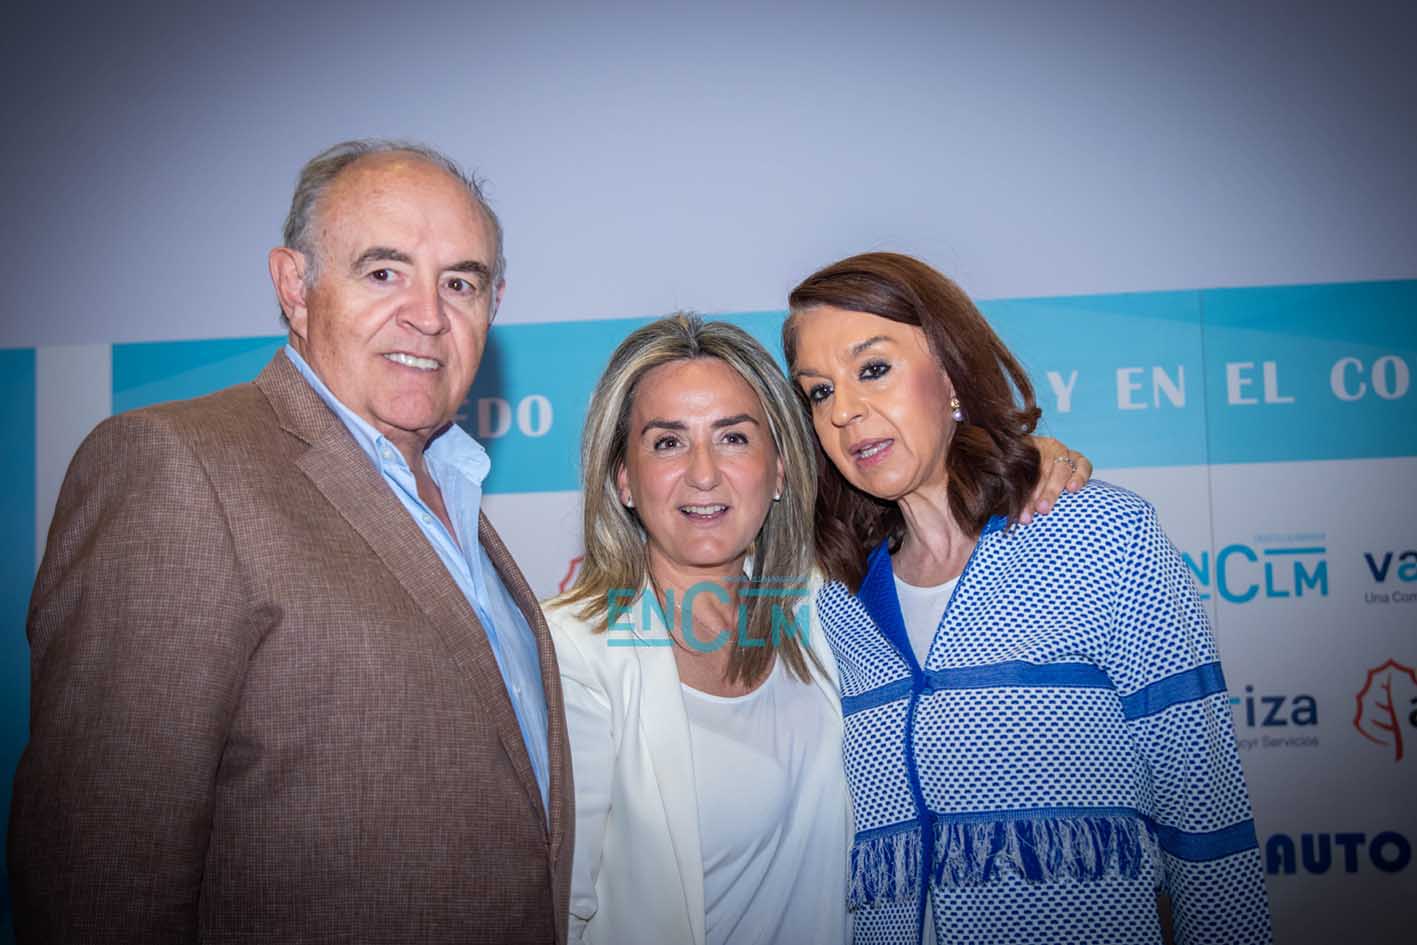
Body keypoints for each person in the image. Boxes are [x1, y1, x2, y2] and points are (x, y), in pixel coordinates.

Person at [9, 140, 573, 944]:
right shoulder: (178, 466)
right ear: (294, 286)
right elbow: (97, 875)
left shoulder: (455, 486)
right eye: (384, 272)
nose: (427, 314)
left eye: (460, 282)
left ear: (494, 303)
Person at [544, 314, 1090, 945]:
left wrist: (1032, 462)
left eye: (733, 438)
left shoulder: (827, 603)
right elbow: (556, 907)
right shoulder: (575, 649)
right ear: (623, 478)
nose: (703, 473)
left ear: (780, 468)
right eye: (667, 442)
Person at [783, 252, 1272, 945]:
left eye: (873, 368)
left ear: (951, 373)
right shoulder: (835, 597)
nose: (845, 412)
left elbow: (1205, 808)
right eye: (818, 392)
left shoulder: (1102, 535)